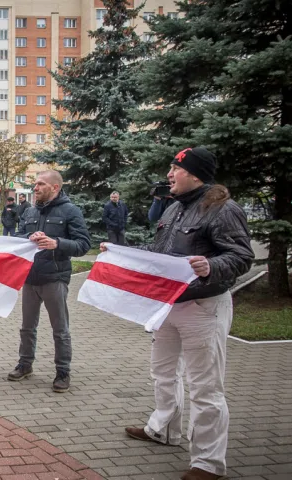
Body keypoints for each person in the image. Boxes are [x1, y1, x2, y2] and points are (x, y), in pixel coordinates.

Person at [105, 147, 253, 480]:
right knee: (163, 372)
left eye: (176, 168)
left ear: (195, 173)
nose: (169, 174)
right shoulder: (173, 209)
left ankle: (208, 464)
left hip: (204, 307)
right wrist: (120, 254)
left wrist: (211, 265)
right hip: (168, 305)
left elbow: (241, 256)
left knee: (205, 387)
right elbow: (160, 255)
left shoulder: (223, 209)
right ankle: (164, 430)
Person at [8, 170, 91, 393]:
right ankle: (25, 364)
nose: (35, 188)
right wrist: (29, 237)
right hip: (31, 278)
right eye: (35, 184)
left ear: (54, 187)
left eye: (40, 184)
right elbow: (19, 237)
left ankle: (63, 372)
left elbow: (83, 245)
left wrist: (58, 243)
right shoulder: (31, 211)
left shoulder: (70, 211)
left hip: (55, 278)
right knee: (27, 327)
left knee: (60, 329)